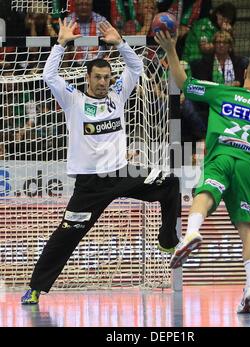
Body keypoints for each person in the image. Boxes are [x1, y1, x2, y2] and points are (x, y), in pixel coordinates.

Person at [21, 19, 180, 305]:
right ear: (88, 78)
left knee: (170, 182)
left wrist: (120, 43)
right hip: (90, 184)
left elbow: (135, 68)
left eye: (107, 77)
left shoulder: (118, 95)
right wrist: (61, 44)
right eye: (98, 77)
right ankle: (35, 288)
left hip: (120, 172)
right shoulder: (73, 101)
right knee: (66, 238)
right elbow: (49, 76)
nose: (103, 81)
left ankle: (167, 239)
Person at [154, 31, 250, 314]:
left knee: (204, 193)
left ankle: (192, 233)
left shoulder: (224, 91)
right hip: (249, 165)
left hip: (222, 155)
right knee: (248, 230)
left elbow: (184, 83)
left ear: (244, 74)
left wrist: (170, 49)